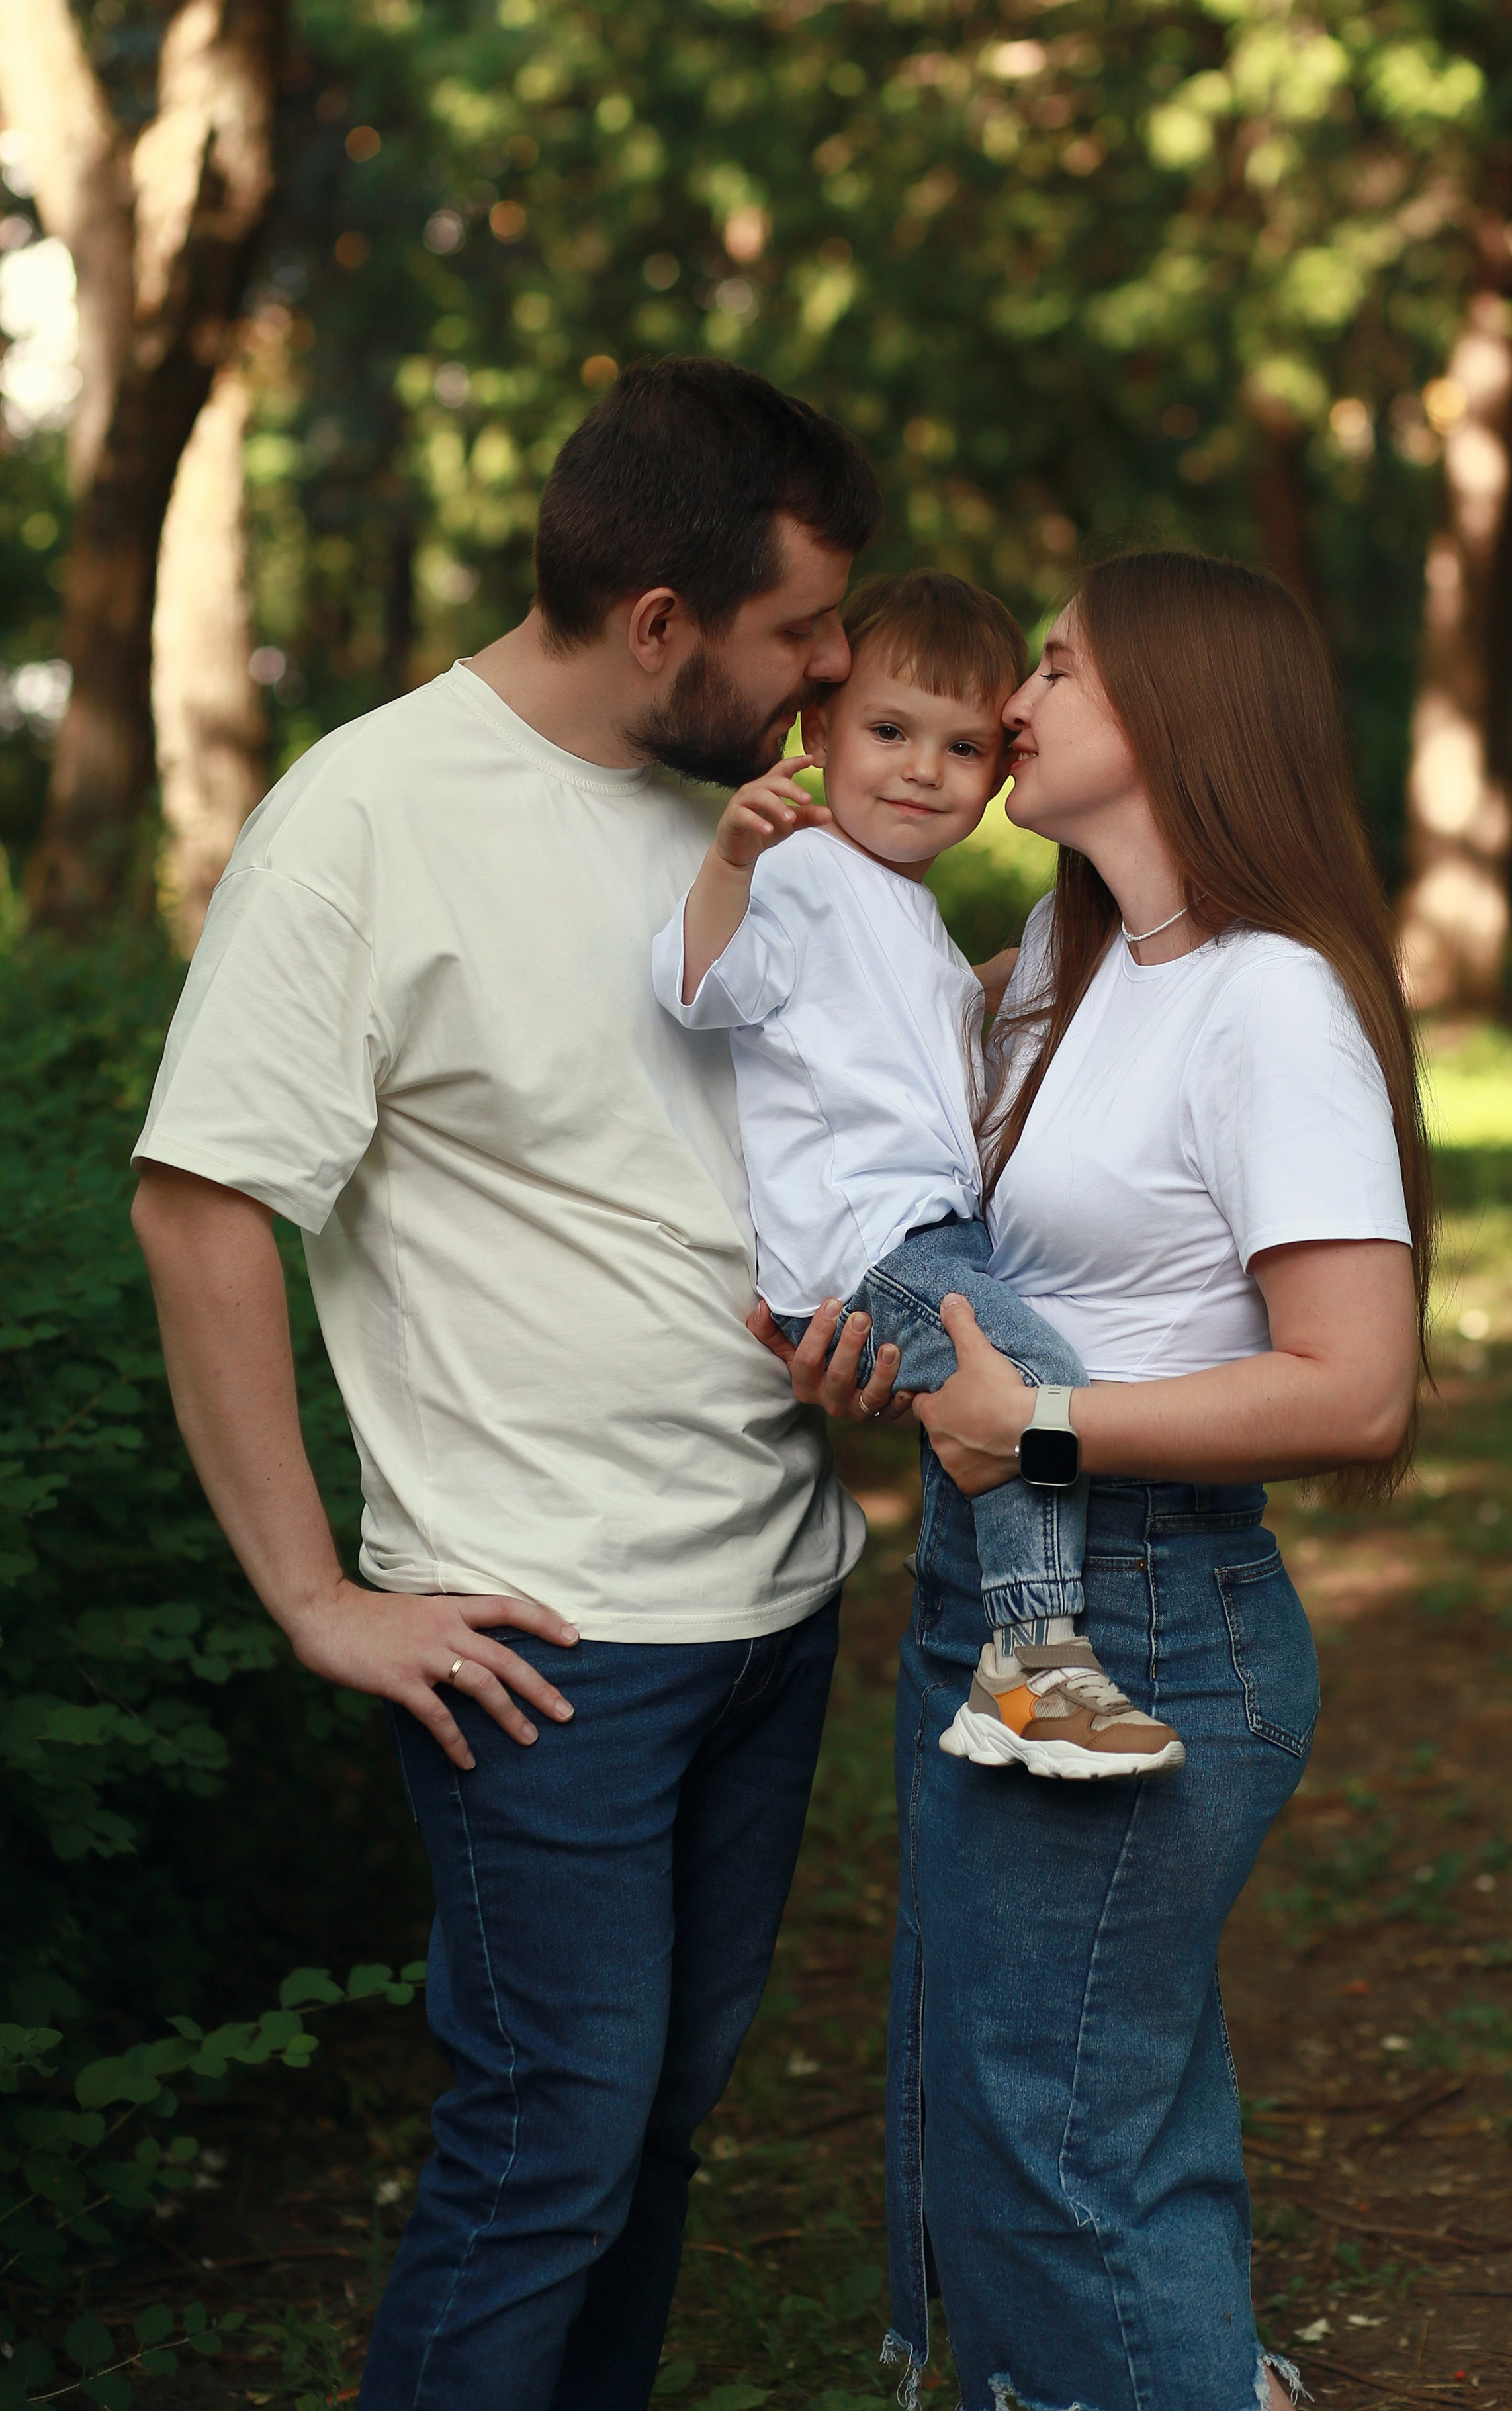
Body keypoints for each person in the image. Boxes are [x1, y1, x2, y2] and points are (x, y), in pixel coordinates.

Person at [129, 356, 881, 2411]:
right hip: (545, 1634)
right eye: (803, 629)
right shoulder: (369, 816)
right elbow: (204, 1204)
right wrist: (313, 1594)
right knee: (546, 2146)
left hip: (774, 1600)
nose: (834, 670)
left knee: (649, 2136)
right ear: (661, 623)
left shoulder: (754, 824)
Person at [756, 550, 1432, 2411]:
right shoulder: (1060, 961)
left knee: (1054, 2145)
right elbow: (889, 1159)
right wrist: (870, 1344)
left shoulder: (1268, 1002)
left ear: (1176, 716)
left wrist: (1040, 1428)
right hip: (996, 1586)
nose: (1012, 706)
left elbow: (1358, 1388)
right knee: (1057, 2104)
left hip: (1144, 1614)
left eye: (1055, 666)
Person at [655, 569, 1184, 1779]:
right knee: (1037, 1378)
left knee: (1023, 1379)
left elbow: (920, 1045)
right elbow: (705, 990)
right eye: (889, 732)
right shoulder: (798, 871)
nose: (919, 769)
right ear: (818, 733)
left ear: (995, 782)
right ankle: (1033, 1668)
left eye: (960, 748)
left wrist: (997, 982)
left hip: (920, 1239)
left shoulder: (904, 909)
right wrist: (731, 863)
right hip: (866, 1249)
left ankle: (1018, 1656)